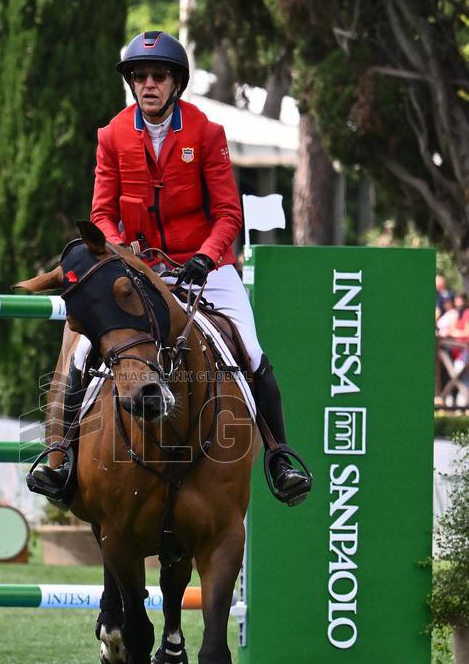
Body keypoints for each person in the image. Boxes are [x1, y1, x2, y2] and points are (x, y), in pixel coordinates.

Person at [32, 30, 311, 507]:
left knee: (250, 347)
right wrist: (120, 253)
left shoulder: (205, 133)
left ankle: (279, 455)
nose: (148, 84)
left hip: (206, 266)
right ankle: (59, 460)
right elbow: (101, 213)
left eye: (158, 76)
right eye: (140, 77)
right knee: (79, 351)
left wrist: (205, 256)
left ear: (175, 82)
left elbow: (228, 213)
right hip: (138, 269)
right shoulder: (112, 135)